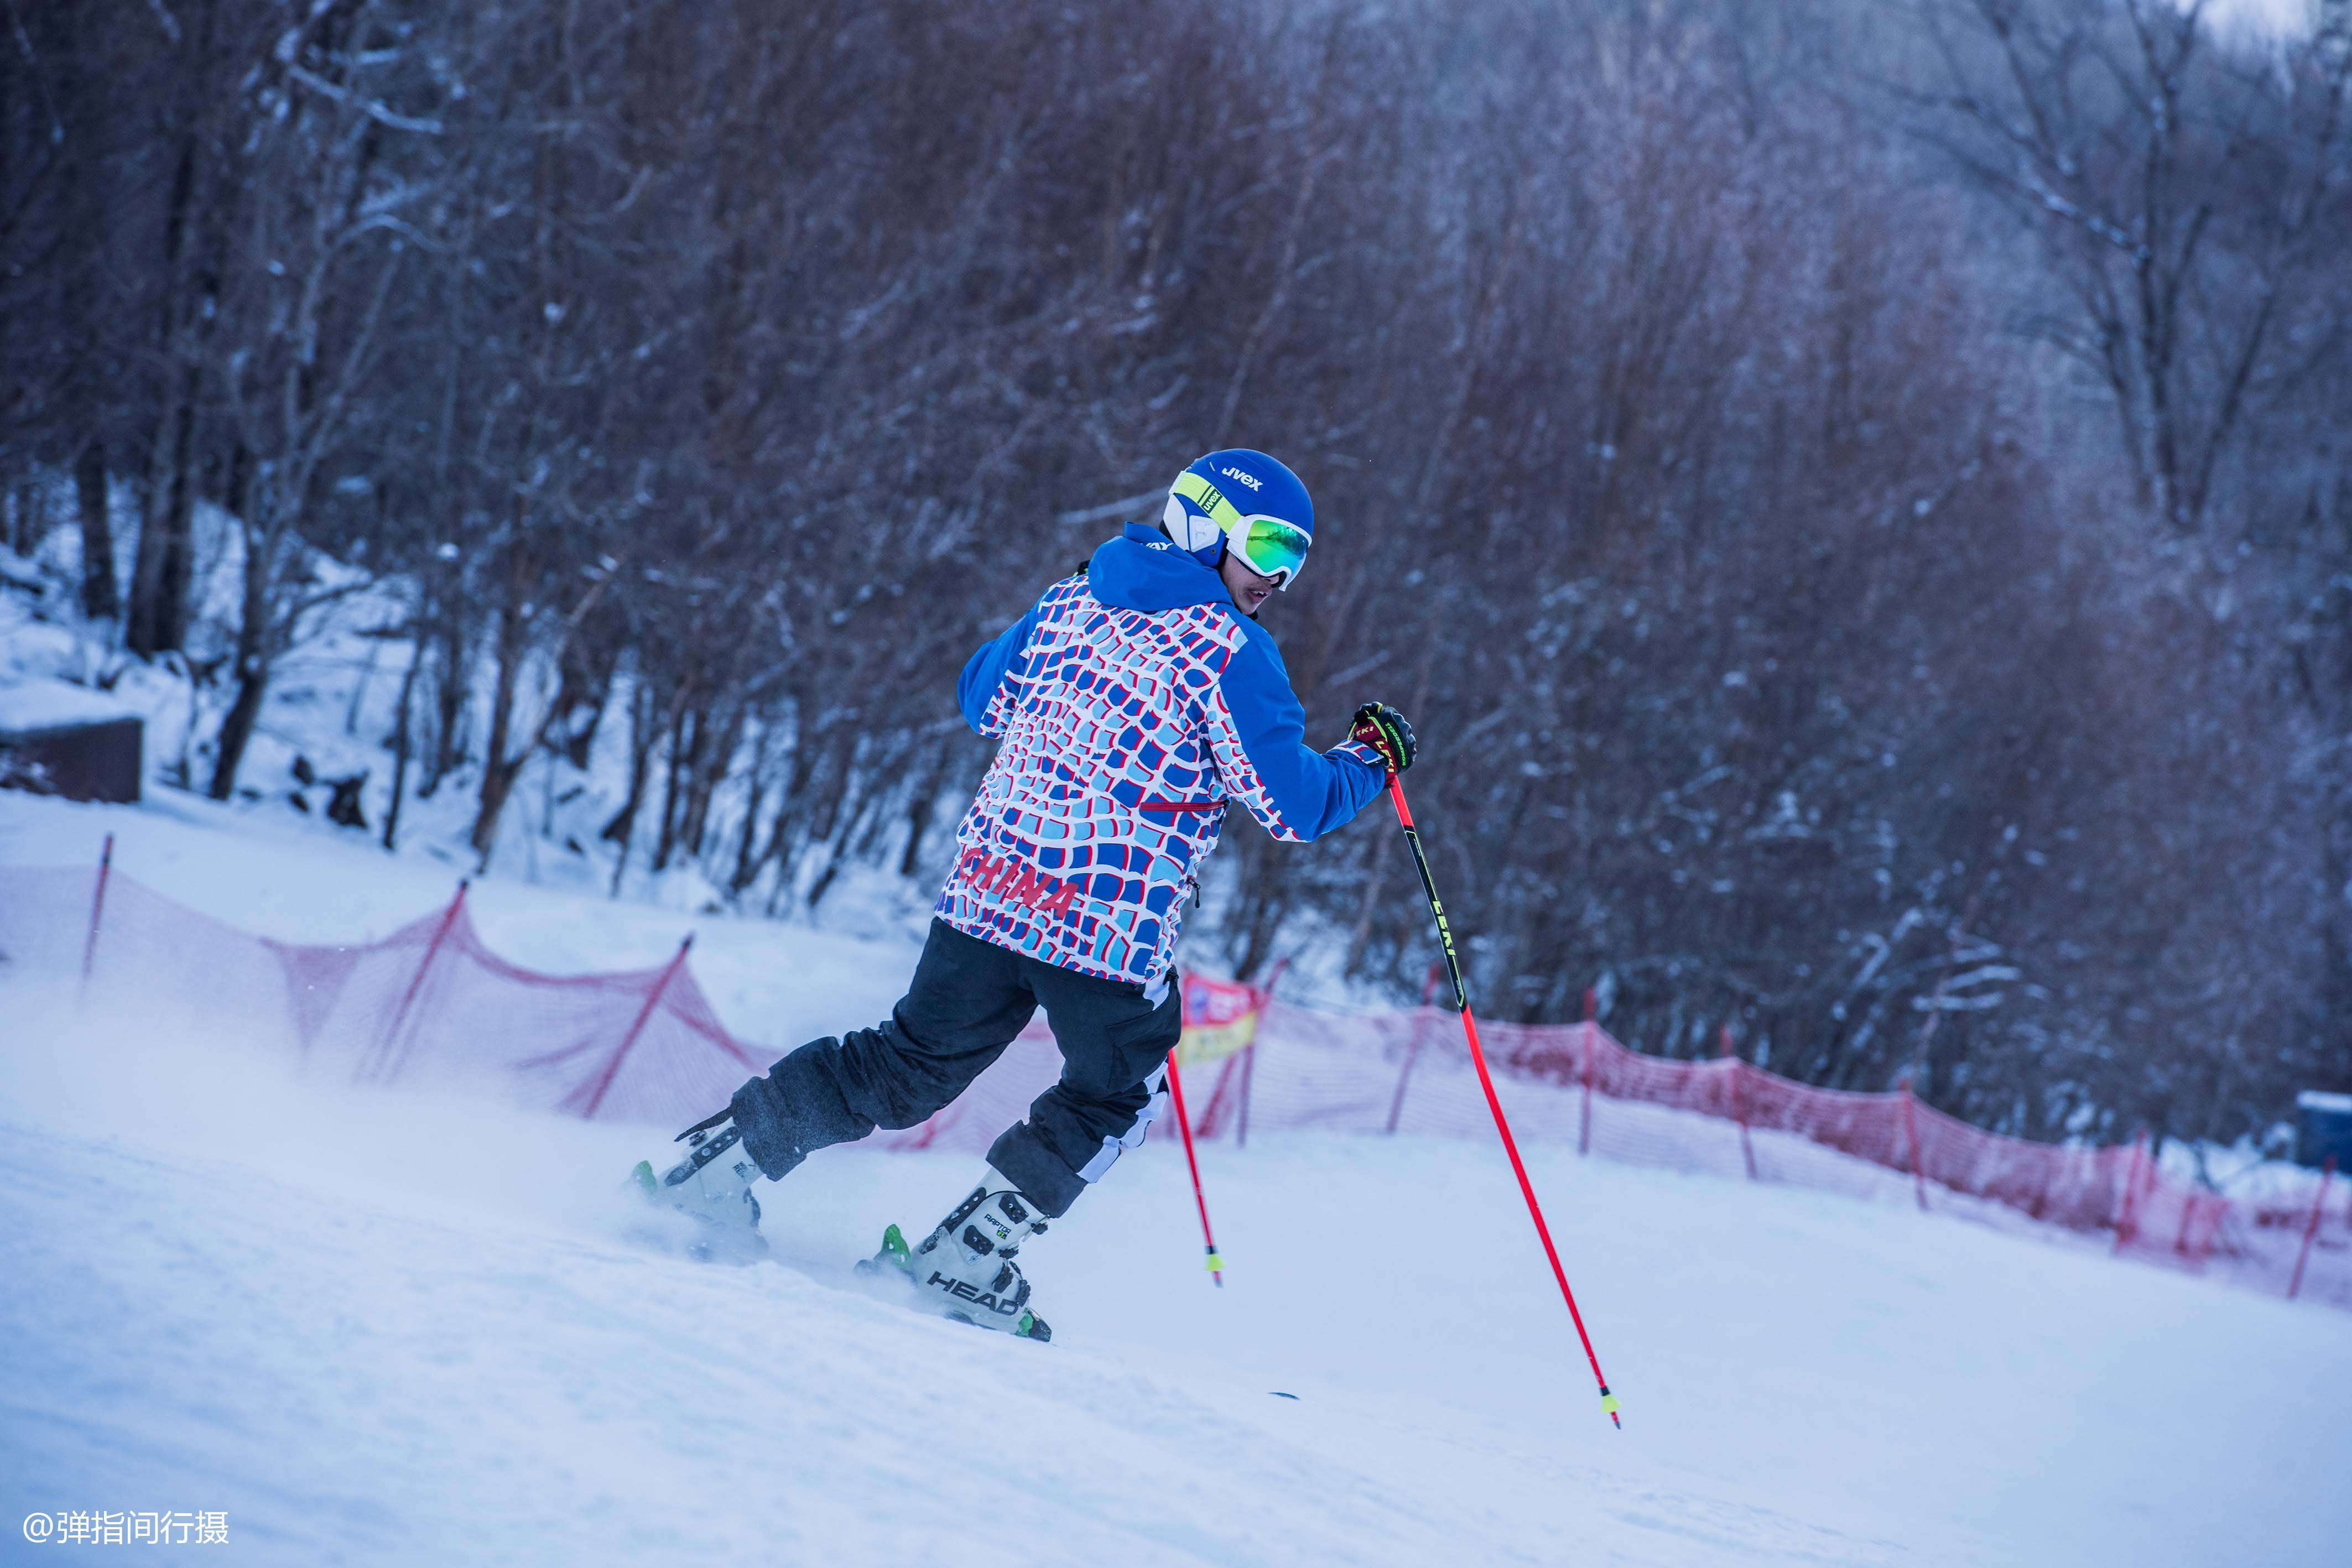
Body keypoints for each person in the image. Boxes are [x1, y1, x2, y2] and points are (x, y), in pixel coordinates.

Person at [638, 448, 1416, 1338]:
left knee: (906, 1064)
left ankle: (718, 1170)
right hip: (1102, 923)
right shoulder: (1234, 650)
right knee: (1114, 1095)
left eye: (1297, 560)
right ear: (1207, 525)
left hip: (993, 890)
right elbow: (1292, 805)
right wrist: (1370, 759)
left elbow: (982, 698)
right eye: (1272, 547)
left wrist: (1066, 607)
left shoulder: (1074, 597)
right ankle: (964, 1259)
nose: (1280, 577)